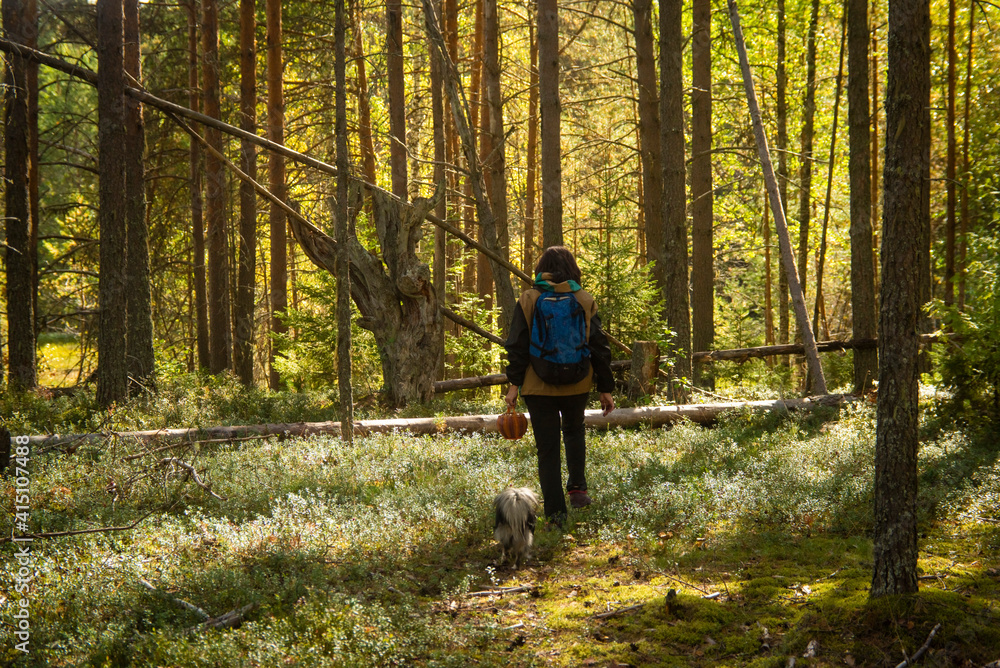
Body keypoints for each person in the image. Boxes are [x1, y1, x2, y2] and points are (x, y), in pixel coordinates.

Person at [504, 246, 615, 526]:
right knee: (575, 433)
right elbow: (599, 346)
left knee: (548, 448)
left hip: (536, 386)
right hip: (577, 384)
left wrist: (514, 385)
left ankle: (556, 514)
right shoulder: (583, 298)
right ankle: (578, 489)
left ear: (543, 268)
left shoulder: (529, 298)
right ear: (572, 269)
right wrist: (605, 387)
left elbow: (517, 345)